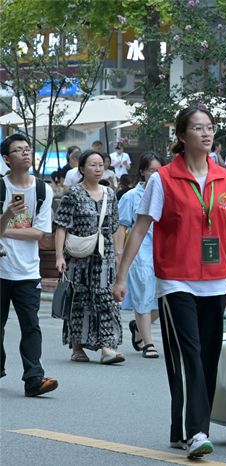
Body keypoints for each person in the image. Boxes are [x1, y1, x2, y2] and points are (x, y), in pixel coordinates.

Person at [112, 106, 226, 460]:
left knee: (209, 358)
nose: (206, 133)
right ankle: (197, 432)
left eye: (210, 127)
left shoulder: (224, 179)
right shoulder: (163, 179)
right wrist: (122, 276)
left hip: (214, 282)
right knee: (189, 355)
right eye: (198, 128)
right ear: (182, 136)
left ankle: (181, 429)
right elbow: (140, 228)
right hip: (175, 282)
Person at [0, 134, 58, 397]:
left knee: (31, 326)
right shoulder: (0, 188)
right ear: (6, 159)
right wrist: (7, 216)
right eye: (18, 150)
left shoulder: (43, 190)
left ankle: (34, 378)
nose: (25, 153)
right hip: (1, 270)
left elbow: (39, 233)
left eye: (27, 149)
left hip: (28, 270)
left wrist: (5, 229)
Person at [54, 150, 125, 365]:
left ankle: (106, 347)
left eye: (101, 165)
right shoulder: (73, 194)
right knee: (79, 300)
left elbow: (115, 227)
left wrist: (118, 255)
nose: (98, 169)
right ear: (82, 169)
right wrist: (59, 256)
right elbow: (61, 227)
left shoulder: (110, 194)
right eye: (93, 165)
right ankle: (77, 347)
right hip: (78, 258)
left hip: (104, 258)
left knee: (105, 299)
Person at [115, 153, 164, 359]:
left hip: (161, 254)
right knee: (143, 295)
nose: (155, 174)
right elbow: (121, 227)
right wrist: (119, 255)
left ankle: (138, 327)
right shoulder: (131, 197)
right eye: (151, 170)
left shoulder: (166, 194)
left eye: (159, 170)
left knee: (164, 299)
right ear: (143, 172)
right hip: (139, 255)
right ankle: (149, 343)